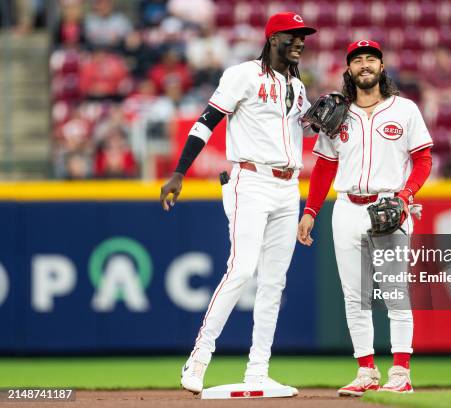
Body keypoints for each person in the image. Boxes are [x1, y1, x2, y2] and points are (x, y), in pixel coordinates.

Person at [159, 12, 316, 396]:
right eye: (292, 35)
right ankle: (198, 358)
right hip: (250, 179)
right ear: (272, 37)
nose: (299, 41)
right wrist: (180, 171)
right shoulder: (242, 74)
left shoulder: (298, 86)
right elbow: (206, 120)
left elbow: (310, 129)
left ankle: (258, 371)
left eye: (303, 36)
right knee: (242, 269)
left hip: (287, 186)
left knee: (274, 282)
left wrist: (325, 120)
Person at [297, 40, 433, 396]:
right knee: (354, 296)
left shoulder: (404, 110)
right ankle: (366, 371)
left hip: (390, 205)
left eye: (371, 58)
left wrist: (406, 196)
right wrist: (310, 210)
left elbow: (423, 160)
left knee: (394, 293)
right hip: (346, 207)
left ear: (382, 67)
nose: (365, 64)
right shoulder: (337, 113)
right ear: (349, 70)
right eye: (358, 60)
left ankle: (400, 373)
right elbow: (325, 165)